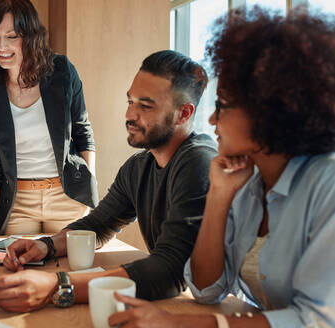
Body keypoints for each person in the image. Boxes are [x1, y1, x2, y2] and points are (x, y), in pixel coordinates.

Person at [107, 7, 335, 328]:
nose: (212, 119)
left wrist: (179, 325)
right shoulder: (248, 183)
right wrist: (218, 194)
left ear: (271, 111)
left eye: (223, 105)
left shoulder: (327, 185)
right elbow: (206, 289)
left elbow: (317, 320)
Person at [0, 50, 218, 312]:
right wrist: (44, 246)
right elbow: (98, 224)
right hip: (170, 302)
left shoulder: (199, 162)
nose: (130, 115)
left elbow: (170, 270)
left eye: (145, 106)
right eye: (130, 101)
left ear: (184, 114)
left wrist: (57, 285)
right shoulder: (139, 167)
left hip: (205, 309)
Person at [0, 0, 98, 237]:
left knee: (69, 268)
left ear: (30, 36)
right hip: (18, 202)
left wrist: (87, 192)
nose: (1, 47)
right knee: (17, 266)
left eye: (12, 36)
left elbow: (82, 133)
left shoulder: (61, 70)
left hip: (66, 196)